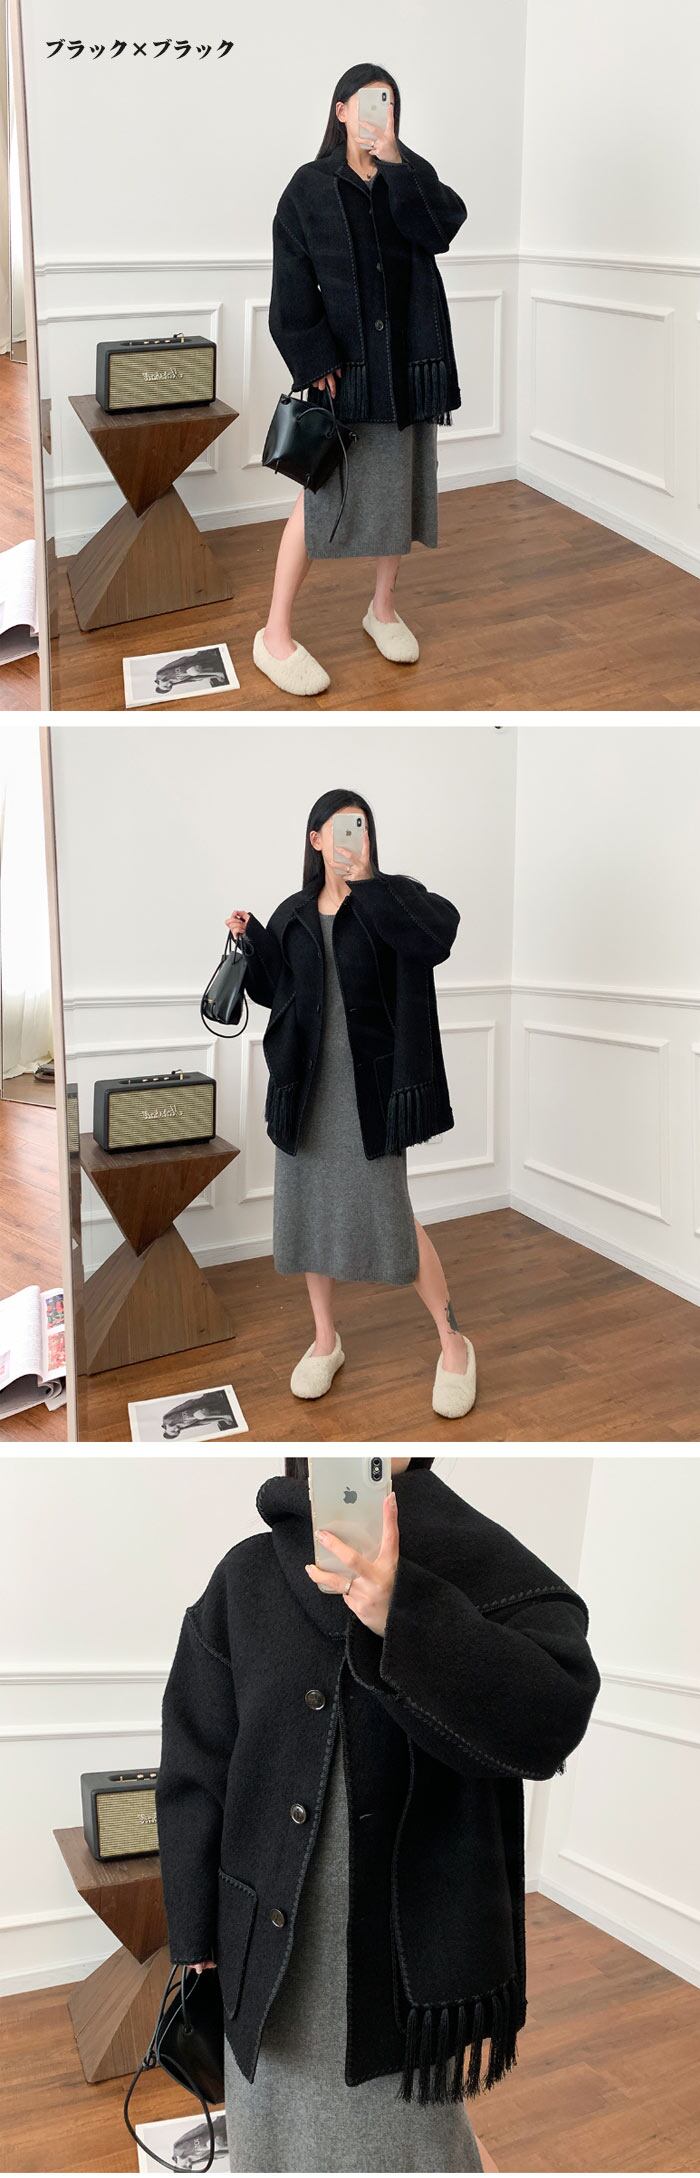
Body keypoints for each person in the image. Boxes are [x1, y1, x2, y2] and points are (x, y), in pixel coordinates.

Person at [156, 1453, 601, 2175]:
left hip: (406, 1954)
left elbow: (551, 1719)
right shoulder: (244, 1578)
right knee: (270, 2127)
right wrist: (194, 1923)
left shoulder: (482, 1563)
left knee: (401, 2143)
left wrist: (404, 1611)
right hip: (260, 1937)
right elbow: (197, 1754)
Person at [226, 786, 476, 1421]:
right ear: (315, 839)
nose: (351, 840)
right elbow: (274, 992)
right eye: (339, 829)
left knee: (393, 1216)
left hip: (371, 1090)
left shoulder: (394, 898)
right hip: (306, 1088)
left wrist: (369, 884)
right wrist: (252, 941)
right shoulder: (294, 912)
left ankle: (454, 1343)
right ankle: (325, 1340)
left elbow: (437, 938)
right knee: (310, 1212)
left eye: (360, 828)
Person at [254, 61, 467, 697]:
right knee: (317, 494)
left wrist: (396, 158)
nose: (380, 111)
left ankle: (382, 610)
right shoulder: (309, 187)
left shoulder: (409, 174)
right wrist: (314, 356)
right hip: (345, 369)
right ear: (341, 109)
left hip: (411, 362)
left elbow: (442, 229)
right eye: (370, 101)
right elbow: (290, 275)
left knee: (399, 488)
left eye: (390, 102)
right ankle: (274, 634)